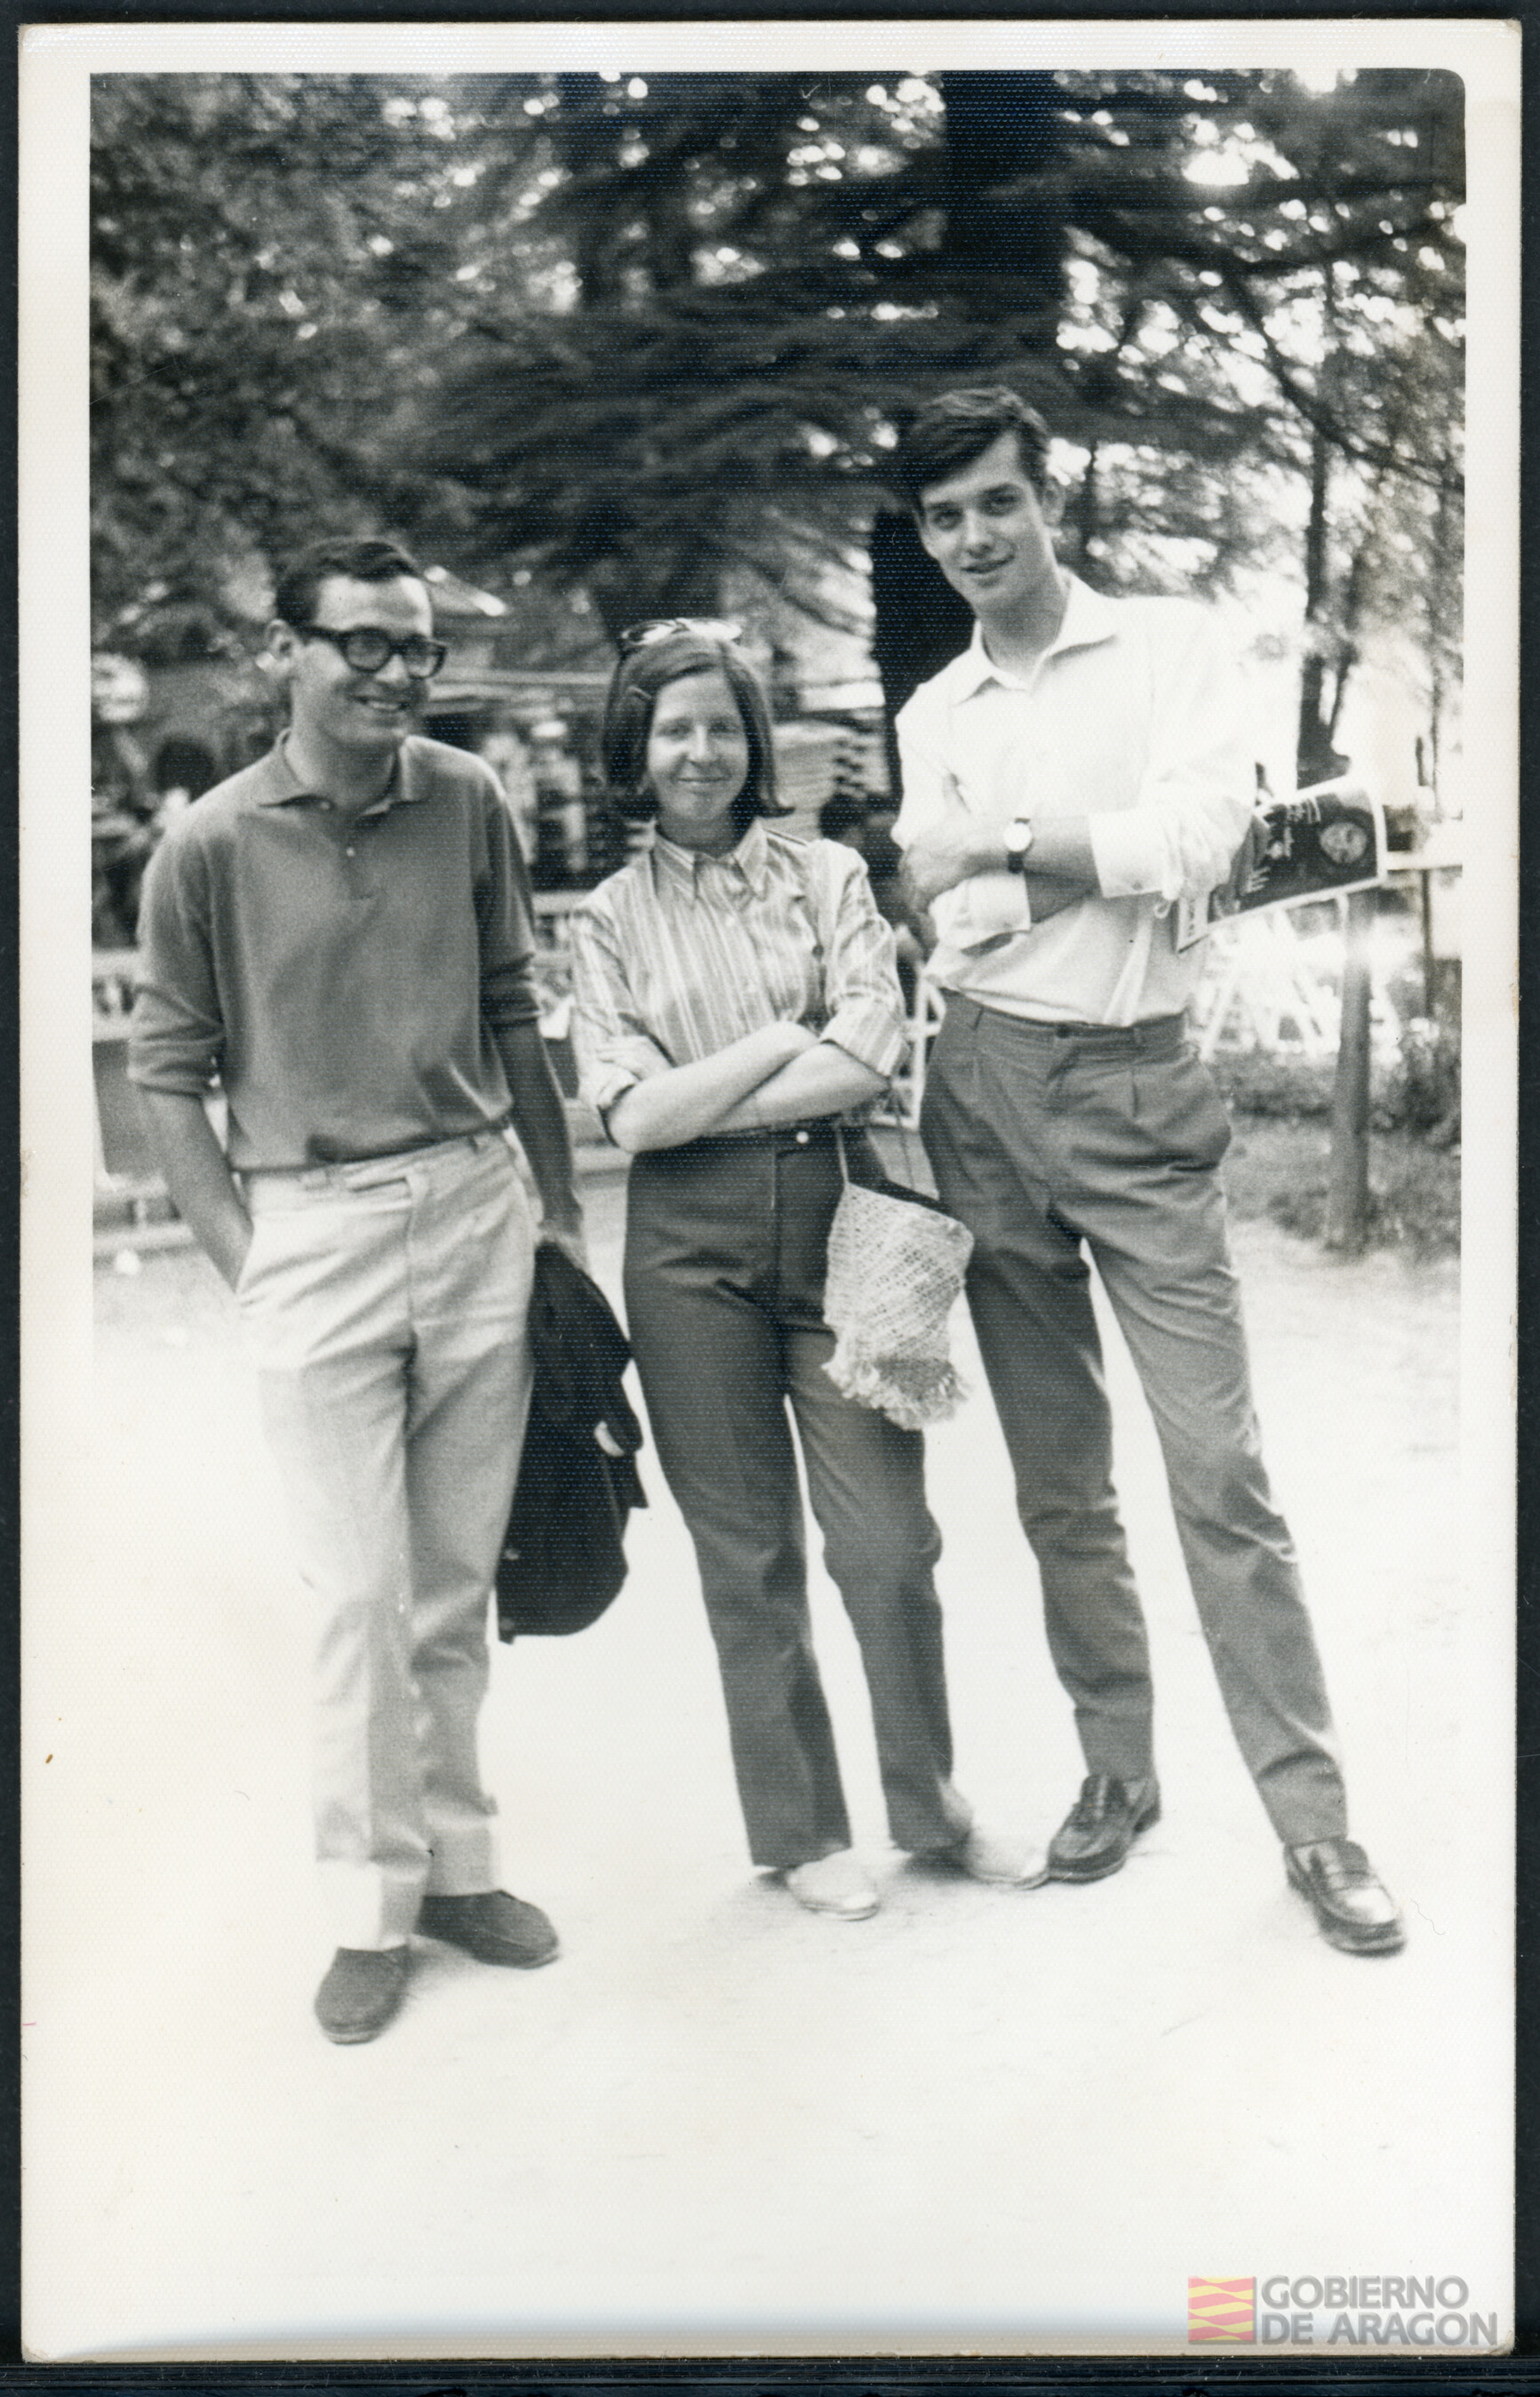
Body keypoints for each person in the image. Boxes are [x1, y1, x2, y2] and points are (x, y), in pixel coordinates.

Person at [890, 388, 1404, 1956]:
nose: (975, 537)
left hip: (1132, 1088)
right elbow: (946, 904)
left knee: (1216, 1472)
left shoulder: (1171, 649)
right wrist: (1030, 863)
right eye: (943, 518)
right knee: (1058, 1481)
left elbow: (1194, 839)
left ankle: (1314, 1827)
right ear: (924, 536)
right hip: (976, 1085)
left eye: (995, 502)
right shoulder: (934, 711)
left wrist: (1006, 847)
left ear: (1045, 500)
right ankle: (1119, 1768)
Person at [129, 535, 586, 2042]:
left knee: (454, 1590)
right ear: (288, 655)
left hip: (472, 1210)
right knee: (354, 1599)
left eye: (416, 648)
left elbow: (515, 1003)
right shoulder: (203, 843)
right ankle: (361, 1909)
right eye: (362, 645)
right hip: (306, 1229)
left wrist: (556, 1214)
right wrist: (246, 1261)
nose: (394, 671)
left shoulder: (465, 800)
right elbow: (167, 1072)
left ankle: (457, 1869)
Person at [570, 620, 1043, 1921]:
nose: (701, 751)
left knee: (888, 1540)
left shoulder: (831, 873)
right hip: (683, 1251)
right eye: (674, 728)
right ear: (637, 747)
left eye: (722, 726)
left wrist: (710, 1077)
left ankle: (929, 1802)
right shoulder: (605, 921)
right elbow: (628, 1121)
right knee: (748, 1552)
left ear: (752, 741)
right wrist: (784, 1035)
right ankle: (799, 1828)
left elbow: (872, 1056)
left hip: (852, 1218)